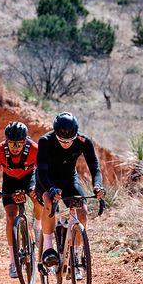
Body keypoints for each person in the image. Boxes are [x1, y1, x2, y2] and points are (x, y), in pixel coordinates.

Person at [36, 112, 105, 271]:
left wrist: (98, 186)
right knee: (49, 201)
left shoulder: (84, 141)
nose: (66, 144)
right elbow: (41, 171)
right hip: (47, 179)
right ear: (55, 134)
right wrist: (51, 189)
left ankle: (74, 255)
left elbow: (95, 169)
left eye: (69, 141)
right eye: (62, 141)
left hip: (68, 179)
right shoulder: (46, 141)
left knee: (82, 213)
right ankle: (47, 248)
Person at [0, 121, 42, 279]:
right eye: (12, 144)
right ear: (6, 142)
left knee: (37, 197)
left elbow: (42, 171)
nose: (15, 147)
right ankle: (12, 261)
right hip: (10, 181)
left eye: (19, 144)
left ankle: (37, 226)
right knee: (11, 217)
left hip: (29, 177)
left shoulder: (34, 149)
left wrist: (37, 188)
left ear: (25, 141)